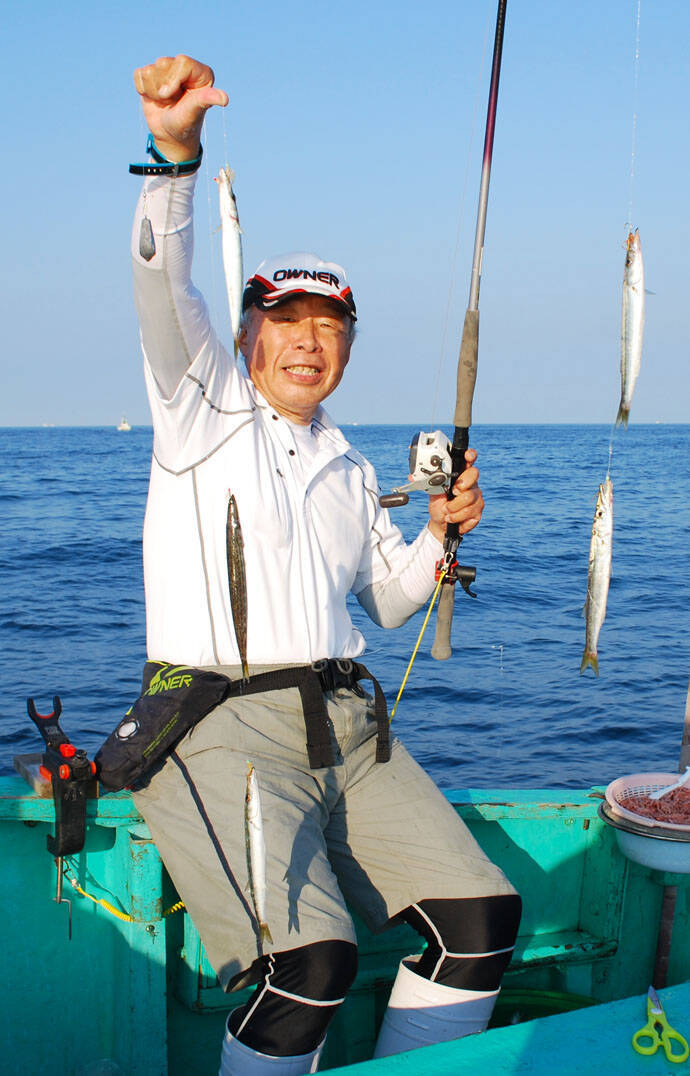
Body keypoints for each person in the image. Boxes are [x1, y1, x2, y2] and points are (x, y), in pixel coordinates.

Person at [129, 54, 520, 1076]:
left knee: (479, 921)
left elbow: (387, 603)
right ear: (247, 334)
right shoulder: (200, 406)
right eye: (288, 323)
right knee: (310, 968)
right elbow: (162, 285)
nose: (310, 343)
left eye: (331, 327)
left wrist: (438, 535)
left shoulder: (348, 465)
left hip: (347, 722)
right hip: (221, 721)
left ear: (347, 347)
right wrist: (173, 157)